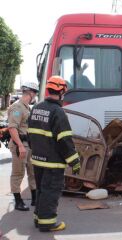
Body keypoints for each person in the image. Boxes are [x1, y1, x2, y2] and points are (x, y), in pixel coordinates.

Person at [27, 75, 81, 232]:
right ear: (62, 92)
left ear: (48, 89)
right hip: (53, 162)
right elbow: (64, 140)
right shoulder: (58, 112)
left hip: (37, 160)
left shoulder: (36, 108)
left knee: (42, 190)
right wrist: (74, 161)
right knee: (50, 191)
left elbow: (30, 135)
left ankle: (38, 218)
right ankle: (47, 223)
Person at [7, 82, 39, 211]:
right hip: (19, 145)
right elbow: (12, 128)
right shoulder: (17, 107)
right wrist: (20, 146)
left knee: (32, 172)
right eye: (35, 93)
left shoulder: (27, 108)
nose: (35, 95)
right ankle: (18, 201)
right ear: (31, 93)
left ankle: (35, 199)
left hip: (28, 145)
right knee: (18, 173)